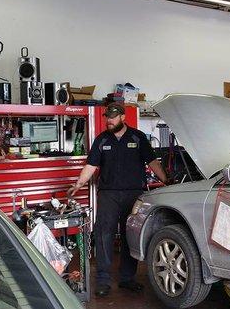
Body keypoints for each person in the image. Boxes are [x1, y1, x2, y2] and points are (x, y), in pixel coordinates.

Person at [67, 103, 167, 297]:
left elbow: (153, 162)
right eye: (107, 117)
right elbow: (91, 165)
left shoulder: (138, 138)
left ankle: (127, 278)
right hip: (108, 195)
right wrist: (78, 184)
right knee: (104, 235)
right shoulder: (102, 139)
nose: (109, 120)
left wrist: (166, 180)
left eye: (113, 117)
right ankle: (103, 280)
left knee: (130, 236)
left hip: (134, 194)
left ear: (123, 117)